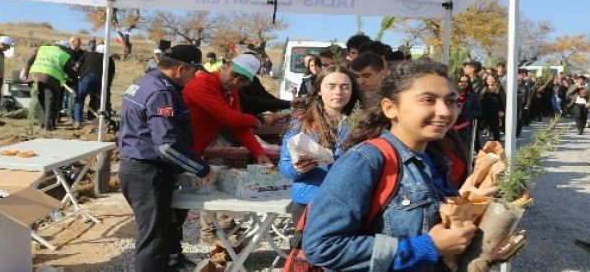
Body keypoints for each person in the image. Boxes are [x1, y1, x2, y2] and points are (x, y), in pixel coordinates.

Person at [303, 59, 478, 271]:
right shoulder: (365, 161)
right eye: (427, 100)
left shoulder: (437, 159)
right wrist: (427, 247)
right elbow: (322, 246)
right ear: (390, 108)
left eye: (451, 101)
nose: (444, 111)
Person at [119, 45, 214, 272]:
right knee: (153, 240)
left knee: (159, 234)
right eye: (193, 72)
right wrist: (201, 168)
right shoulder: (162, 93)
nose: (194, 78)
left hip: (136, 168)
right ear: (181, 68)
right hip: (147, 173)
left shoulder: (145, 81)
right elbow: (167, 146)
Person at [181, 53, 272, 244]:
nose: (235, 82)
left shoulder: (231, 92)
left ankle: (175, 254)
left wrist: (259, 152)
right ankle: (169, 255)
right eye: (234, 75)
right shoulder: (202, 84)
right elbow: (227, 117)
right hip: (179, 152)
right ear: (225, 66)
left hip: (194, 152)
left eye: (242, 80)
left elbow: (237, 127)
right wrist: (255, 119)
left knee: (183, 206)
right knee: (175, 207)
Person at [278, 66, 361, 226]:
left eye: (345, 87)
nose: (338, 92)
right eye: (331, 86)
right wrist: (298, 168)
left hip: (350, 202)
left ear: (352, 91)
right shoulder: (301, 121)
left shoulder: (362, 123)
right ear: (319, 90)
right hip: (309, 202)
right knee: (307, 251)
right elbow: (285, 166)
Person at [23, 42, 77, 130]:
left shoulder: (42, 48)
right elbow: (70, 70)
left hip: (34, 77)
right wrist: (75, 79)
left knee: (40, 100)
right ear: (65, 48)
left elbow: (29, 60)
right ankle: (49, 126)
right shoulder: (64, 54)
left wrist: (25, 74)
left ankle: (42, 123)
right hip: (50, 79)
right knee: (50, 102)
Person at [73, 44, 115, 128]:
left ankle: (77, 121)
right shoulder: (109, 59)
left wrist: (78, 77)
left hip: (87, 77)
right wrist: (107, 87)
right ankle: (106, 120)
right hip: (102, 79)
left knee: (80, 98)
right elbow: (111, 74)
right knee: (104, 100)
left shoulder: (88, 54)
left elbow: (76, 66)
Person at [455, 75, 482, 152]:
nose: (463, 83)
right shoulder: (451, 95)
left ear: (469, 83)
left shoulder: (473, 96)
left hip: (464, 126)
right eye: (461, 81)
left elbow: (478, 111)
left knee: (463, 150)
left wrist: (463, 112)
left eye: (466, 82)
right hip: (451, 126)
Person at [480, 74, 505, 141]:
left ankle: (496, 141)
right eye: (488, 79)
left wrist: (501, 110)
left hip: (494, 110)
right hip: (484, 109)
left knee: (495, 126)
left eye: (492, 79)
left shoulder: (499, 87)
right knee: (483, 124)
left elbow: (503, 99)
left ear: (495, 80)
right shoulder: (484, 87)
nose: (490, 81)